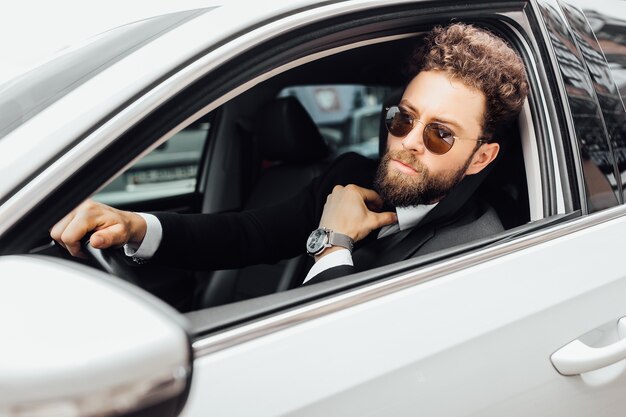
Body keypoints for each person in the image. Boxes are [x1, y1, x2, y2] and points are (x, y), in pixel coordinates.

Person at [51, 23, 528, 285]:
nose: (408, 140)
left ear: (481, 158)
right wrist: (136, 226)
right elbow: (248, 234)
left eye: (440, 135)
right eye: (404, 118)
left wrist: (333, 242)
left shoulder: (479, 252)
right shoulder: (348, 176)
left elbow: (342, 362)